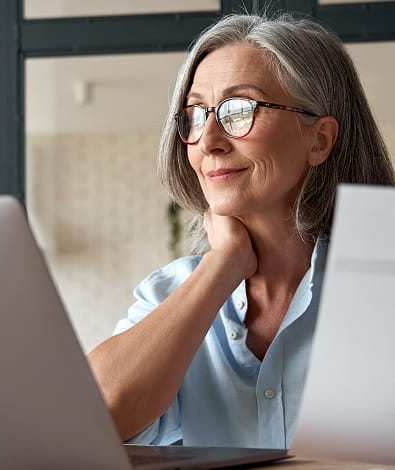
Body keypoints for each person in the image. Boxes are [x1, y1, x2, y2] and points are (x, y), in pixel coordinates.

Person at [88, 13, 395, 449]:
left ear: (319, 140)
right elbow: (93, 420)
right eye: (195, 114)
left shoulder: (385, 277)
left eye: (240, 109)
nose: (208, 139)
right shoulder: (170, 294)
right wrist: (223, 265)